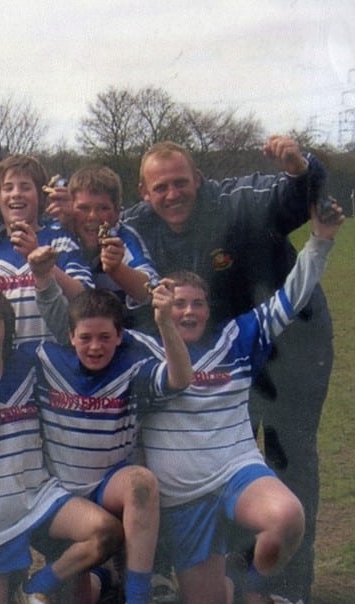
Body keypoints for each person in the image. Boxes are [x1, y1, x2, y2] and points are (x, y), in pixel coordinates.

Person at [121, 136, 330, 602]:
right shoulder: (133, 227)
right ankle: (198, 573)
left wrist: (299, 168)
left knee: (287, 456)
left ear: (198, 179)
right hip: (197, 343)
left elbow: (293, 198)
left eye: (181, 183)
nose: (172, 194)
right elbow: (121, 277)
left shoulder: (235, 201)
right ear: (143, 191)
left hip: (286, 340)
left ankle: (281, 588)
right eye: (161, 188)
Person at [0, 286, 123, 604]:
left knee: (106, 532)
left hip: (40, 498)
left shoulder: (31, 363)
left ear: (6, 328)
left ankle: (35, 587)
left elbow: (75, 337)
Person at [33, 284, 193, 604]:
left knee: (141, 482)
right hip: (57, 497)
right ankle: (42, 586)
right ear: (70, 336)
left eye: (105, 337)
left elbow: (180, 379)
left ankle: (138, 596)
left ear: (120, 336)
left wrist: (164, 323)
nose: (95, 347)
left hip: (108, 487)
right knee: (79, 596)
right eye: (86, 338)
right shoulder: (45, 360)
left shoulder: (132, 367)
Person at [0, 154, 92, 346]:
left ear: (41, 198)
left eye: (25, 187)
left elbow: (85, 298)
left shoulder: (60, 239)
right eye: (8, 188)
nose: (16, 194)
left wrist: (39, 259)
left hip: (54, 361)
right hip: (6, 364)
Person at [64, 165, 159, 325]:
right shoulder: (61, 236)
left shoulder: (124, 238)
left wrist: (117, 270)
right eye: (83, 208)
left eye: (103, 208)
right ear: (70, 209)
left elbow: (151, 290)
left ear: (117, 213)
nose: (93, 216)